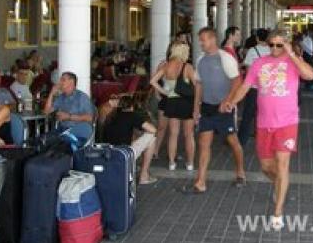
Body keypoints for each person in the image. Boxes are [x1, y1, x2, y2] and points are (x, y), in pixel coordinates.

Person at [222, 29, 313, 229]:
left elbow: (310, 75)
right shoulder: (259, 64)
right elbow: (245, 87)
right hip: (264, 123)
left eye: (279, 45)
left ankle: (278, 212)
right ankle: (280, 184)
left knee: (282, 166)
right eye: (271, 44)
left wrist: (292, 54)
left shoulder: (293, 62)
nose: (274, 48)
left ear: (287, 44)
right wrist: (232, 102)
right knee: (266, 167)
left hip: (287, 123)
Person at [183, 27, 246, 194]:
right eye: (200, 40)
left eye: (203, 40)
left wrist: (227, 100)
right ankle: (201, 182)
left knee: (233, 142)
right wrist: (196, 107)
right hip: (207, 107)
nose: (201, 43)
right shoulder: (200, 60)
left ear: (212, 39)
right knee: (204, 144)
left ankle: (240, 172)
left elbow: (237, 81)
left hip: (224, 108)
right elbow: (199, 84)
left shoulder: (225, 58)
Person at [149, 41, 196, 171]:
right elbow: (197, 85)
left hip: (172, 102)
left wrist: (166, 92)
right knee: (189, 134)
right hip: (187, 103)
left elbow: (152, 81)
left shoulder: (166, 66)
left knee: (173, 134)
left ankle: (171, 163)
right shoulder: (187, 67)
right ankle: (190, 163)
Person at [99, 91, 157, 185]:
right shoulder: (132, 115)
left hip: (108, 153)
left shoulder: (111, 115)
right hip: (123, 155)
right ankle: (143, 176)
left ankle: (137, 169)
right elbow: (153, 130)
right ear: (132, 106)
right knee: (152, 137)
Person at [238, 29, 270, 146]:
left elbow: (248, 70)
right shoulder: (271, 50)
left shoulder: (252, 51)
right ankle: (265, 139)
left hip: (254, 87)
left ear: (257, 38)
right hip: (267, 89)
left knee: (248, 114)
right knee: (265, 114)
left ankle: (242, 140)